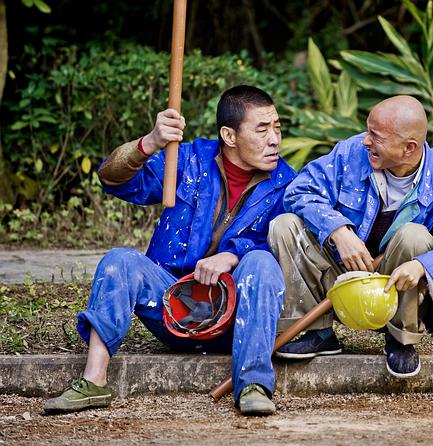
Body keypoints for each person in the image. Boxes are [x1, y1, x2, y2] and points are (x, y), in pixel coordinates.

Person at [44, 85, 296, 415]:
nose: (274, 139)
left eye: (277, 128)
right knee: (119, 260)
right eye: (262, 130)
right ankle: (93, 381)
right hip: (171, 308)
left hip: (238, 319)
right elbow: (112, 179)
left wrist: (234, 255)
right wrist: (149, 143)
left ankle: (253, 385)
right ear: (229, 135)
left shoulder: (287, 182)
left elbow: (287, 248)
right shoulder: (187, 160)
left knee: (261, 261)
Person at [268, 95, 433, 377]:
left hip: (394, 288)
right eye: (367, 131)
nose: (365, 141)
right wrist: (337, 229)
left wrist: (424, 266)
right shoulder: (350, 153)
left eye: (375, 135)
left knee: (415, 237)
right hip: (338, 278)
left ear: (409, 148)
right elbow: (300, 191)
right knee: (284, 224)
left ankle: (401, 339)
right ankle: (316, 331)